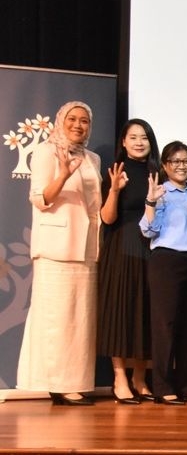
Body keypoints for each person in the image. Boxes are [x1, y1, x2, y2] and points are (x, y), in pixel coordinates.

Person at [18, 101, 101, 405]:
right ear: (61, 121)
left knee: (80, 320)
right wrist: (63, 175)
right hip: (56, 247)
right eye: (72, 119)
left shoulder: (92, 157)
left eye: (84, 120)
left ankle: (75, 382)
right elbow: (40, 198)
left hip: (87, 246)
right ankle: (57, 383)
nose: (78, 125)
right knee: (56, 318)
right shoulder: (45, 151)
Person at [97, 118, 159, 404]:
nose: (138, 142)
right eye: (133, 137)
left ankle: (140, 377)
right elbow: (107, 218)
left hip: (152, 246)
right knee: (120, 310)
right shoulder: (115, 171)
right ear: (123, 141)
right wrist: (115, 190)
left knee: (146, 309)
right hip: (122, 244)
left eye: (144, 137)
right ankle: (119, 377)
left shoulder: (158, 172)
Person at [140, 141, 187, 405]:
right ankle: (163, 387)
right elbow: (148, 231)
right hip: (166, 260)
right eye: (176, 161)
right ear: (165, 166)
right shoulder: (160, 191)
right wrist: (151, 202)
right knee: (165, 325)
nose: (182, 166)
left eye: (186, 161)